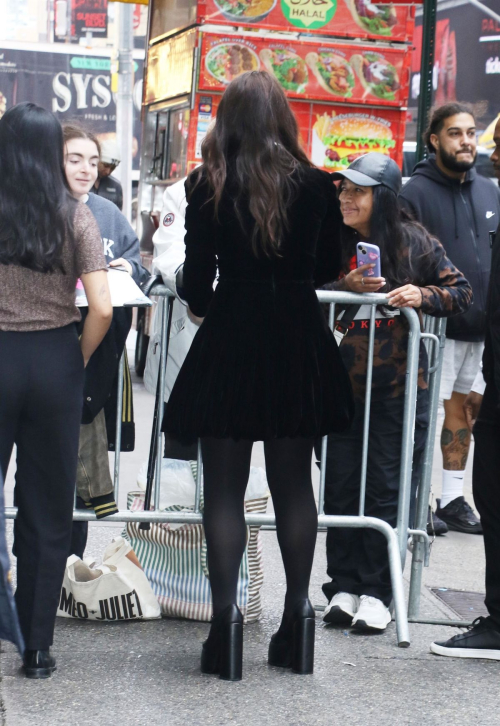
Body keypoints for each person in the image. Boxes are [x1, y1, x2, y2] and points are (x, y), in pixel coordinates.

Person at [164, 71, 353, 680]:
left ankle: (226, 628)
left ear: (227, 121)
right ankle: (297, 620)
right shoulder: (319, 187)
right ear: (283, 119)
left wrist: (198, 296)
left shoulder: (207, 184)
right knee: (295, 484)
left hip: (232, 340)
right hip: (299, 339)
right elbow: (329, 265)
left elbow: (196, 283)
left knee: (223, 487)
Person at [319, 153, 472, 632]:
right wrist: (342, 284)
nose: (345, 198)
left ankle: (379, 592)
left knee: (385, 489)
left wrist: (419, 295)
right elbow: (306, 288)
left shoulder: (415, 241)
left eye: (357, 191)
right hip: (336, 389)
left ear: (382, 198)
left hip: (398, 391)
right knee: (339, 486)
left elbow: (461, 291)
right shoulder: (331, 240)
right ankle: (342, 586)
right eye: (342, 189)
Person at [0, 103, 112, 678]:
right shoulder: (75, 216)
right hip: (54, 360)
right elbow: (102, 306)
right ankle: (36, 647)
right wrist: (76, 356)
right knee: (46, 511)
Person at [400, 103, 500, 536]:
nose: (466, 141)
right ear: (434, 140)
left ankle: (453, 499)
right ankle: (415, 501)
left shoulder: (489, 191)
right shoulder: (415, 193)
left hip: (480, 330)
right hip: (432, 329)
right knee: (418, 416)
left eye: (471, 133)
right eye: (455, 133)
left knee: (462, 413)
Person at [62, 123, 148, 557]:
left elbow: (136, 262)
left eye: (92, 161)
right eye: (74, 159)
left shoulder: (108, 213)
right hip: (45, 349)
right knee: (41, 469)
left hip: (93, 361)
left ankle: (66, 568)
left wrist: (126, 271)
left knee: (78, 472)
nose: (85, 169)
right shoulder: (38, 209)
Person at [144, 178, 199, 462]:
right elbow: (169, 253)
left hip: (245, 346)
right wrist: (201, 290)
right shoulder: (184, 189)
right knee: (181, 457)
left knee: (230, 461)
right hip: (187, 337)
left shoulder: (269, 181)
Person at [91, 139, 123, 210]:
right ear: (97, 160)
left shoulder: (115, 186)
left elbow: (117, 216)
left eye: (113, 168)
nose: (108, 171)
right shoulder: (82, 181)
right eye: (105, 165)